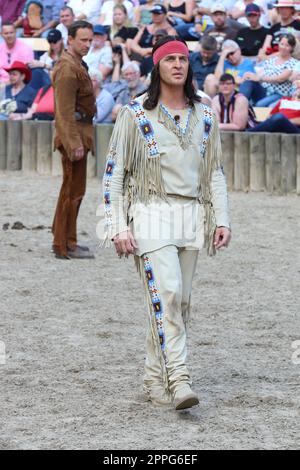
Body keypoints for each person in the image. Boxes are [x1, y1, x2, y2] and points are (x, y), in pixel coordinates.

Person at [102, 36, 231, 410]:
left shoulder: (205, 115)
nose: (177, 64)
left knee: (176, 301)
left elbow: (215, 174)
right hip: (150, 212)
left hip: (191, 215)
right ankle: (179, 378)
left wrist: (221, 217)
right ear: (156, 66)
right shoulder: (135, 114)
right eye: (169, 59)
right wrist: (118, 225)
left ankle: (153, 377)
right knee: (169, 294)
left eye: (183, 59)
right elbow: (114, 173)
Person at [52, 20, 96, 259]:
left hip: (80, 132)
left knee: (72, 190)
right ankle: (64, 243)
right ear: (70, 39)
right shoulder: (68, 68)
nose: (88, 44)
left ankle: (65, 239)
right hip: (75, 134)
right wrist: (73, 143)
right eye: (83, 40)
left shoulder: (75, 64)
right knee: (72, 191)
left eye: (90, 40)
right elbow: (64, 111)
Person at [242, 33, 299, 106]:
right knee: (248, 81)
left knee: (260, 104)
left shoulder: (294, 63)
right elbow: (260, 73)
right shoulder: (271, 60)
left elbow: (280, 78)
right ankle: (239, 105)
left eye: (287, 45)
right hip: (264, 90)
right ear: (278, 44)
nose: (283, 47)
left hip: (278, 93)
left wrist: (259, 78)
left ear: (292, 48)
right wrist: (250, 76)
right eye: (282, 44)